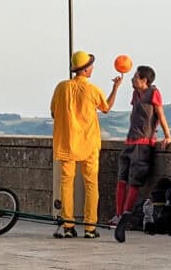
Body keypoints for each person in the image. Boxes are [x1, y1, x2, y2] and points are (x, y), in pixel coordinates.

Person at [50, 50, 123, 239]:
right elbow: (106, 108)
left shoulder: (61, 88)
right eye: (91, 66)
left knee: (66, 184)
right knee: (91, 185)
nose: (92, 68)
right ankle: (90, 227)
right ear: (85, 69)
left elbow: (53, 112)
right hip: (89, 144)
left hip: (66, 143)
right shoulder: (92, 89)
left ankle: (68, 225)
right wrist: (116, 88)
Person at [109, 65, 171, 225]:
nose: (132, 79)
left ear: (145, 80)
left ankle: (125, 215)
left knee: (134, 181)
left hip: (143, 143)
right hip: (130, 140)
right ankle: (118, 213)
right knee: (122, 179)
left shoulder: (153, 93)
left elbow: (160, 114)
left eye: (135, 77)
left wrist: (167, 135)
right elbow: (134, 113)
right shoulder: (136, 93)